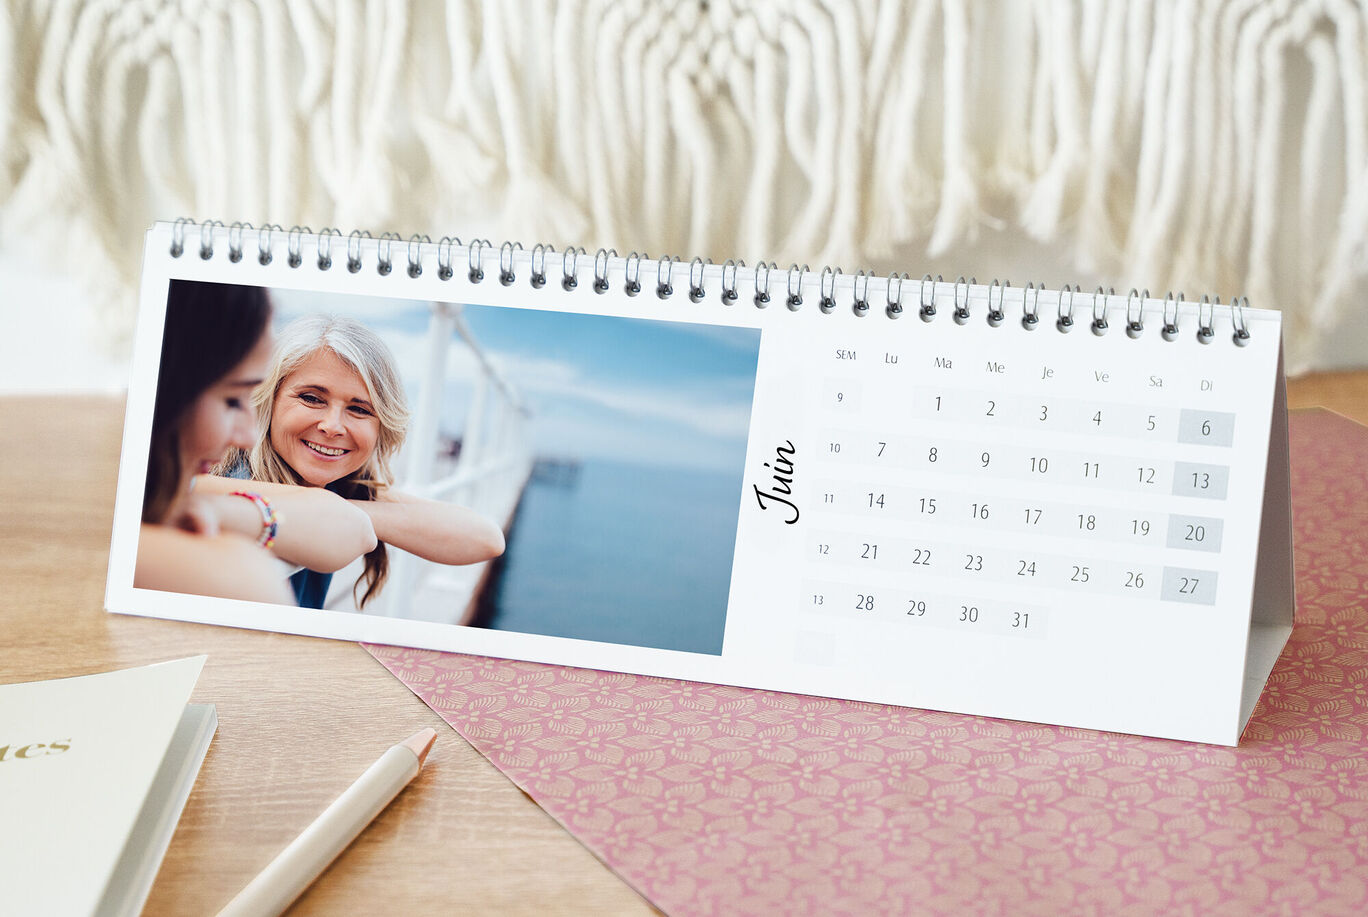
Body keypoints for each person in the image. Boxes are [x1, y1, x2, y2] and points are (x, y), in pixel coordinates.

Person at [208, 313, 504, 610]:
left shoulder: (336, 487)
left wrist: (335, 508)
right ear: (268, 400)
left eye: (360, 410)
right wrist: (326, 510)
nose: (333, 425)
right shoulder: (236, 492)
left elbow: (486, 539)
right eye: (311, 398)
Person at [137, 281, 378, 604]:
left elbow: (467, 533)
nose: (333, 426)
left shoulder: (332, 482)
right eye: (233, 399)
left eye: (359, 409)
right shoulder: (236, 477)